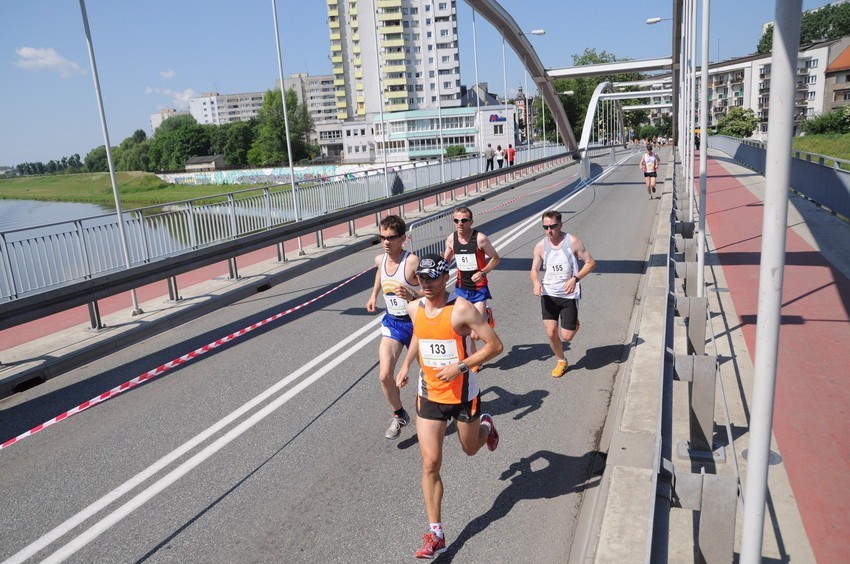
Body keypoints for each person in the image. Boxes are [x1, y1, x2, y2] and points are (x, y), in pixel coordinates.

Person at [395, 254, 503, 559]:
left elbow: (495, 346)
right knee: (430, 463)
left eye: (433, 278)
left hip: (463, 395)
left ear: (446, 279)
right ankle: (436, 533)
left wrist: (462, 367)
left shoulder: (462, 311)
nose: (427, 284)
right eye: (421, 279)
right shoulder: (414, 307)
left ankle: (486, 426)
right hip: (429, 395)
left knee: (470, 449)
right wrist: (405, 365)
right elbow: (419, 332)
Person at [366, 215, 421, 439]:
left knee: (432, 374)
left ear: (403, 239)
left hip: (417, 324)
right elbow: (380, 274)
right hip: (394, 323)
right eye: (382, 237)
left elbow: (433, 293)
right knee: (384, 375)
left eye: (391, 238)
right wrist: (373, 295)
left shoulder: (412, 262)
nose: (386, 242)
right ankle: (399, 414)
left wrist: (412, 295)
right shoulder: (380, 259)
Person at [530, 210, 597, 378]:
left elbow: (591, 263)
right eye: (545, 227)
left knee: (566, 337)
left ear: (560, 224)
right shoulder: (540, 246)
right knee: (551, 332)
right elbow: (534, 269)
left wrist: (575, 278)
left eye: (552, 226)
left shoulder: (572, 242)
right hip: (549, 294)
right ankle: (561, 361)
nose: (549, 231)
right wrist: (536, 282)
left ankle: (574, 323)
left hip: (568, 295)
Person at [443, 206, 500, 365]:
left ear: (471, 222)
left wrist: (482, 272)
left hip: (479, 289)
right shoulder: (451, 239)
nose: (460, 224)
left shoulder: (480, 238)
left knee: (475, 334)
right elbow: (445, 261)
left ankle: (487, 315)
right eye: (456, 220)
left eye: (464, 220)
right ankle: (474, 361)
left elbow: (495, 258)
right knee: (462, 327)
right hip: (461, 288)